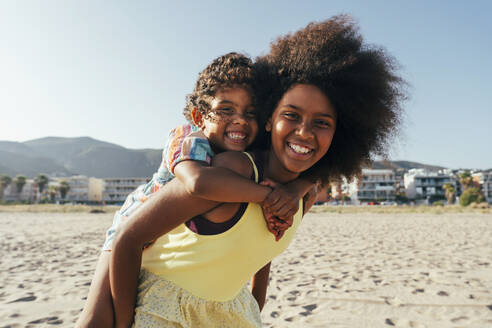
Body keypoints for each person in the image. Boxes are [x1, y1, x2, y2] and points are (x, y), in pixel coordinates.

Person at [109, 15, 405, 327]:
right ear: (268, 119)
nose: (304, 132)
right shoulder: (232, 170)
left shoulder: (307, 193)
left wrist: (256, 301)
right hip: (162, 313)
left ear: (339, 135)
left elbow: (260, 244)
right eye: (291, 115)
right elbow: (128, 239)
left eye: (321, 122)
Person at [76, 53, 315, 328]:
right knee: (95, 319)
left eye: (250, 113)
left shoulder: (249, 159)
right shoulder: (189, 139)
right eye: (226, 110)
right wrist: (268, 196)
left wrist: (299, 186)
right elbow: (198, 183)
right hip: (133, 221)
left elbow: (261, 238)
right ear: (199, 115)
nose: (239, 120)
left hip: (173, 243)